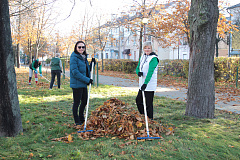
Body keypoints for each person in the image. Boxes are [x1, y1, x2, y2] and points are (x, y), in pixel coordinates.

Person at [70, 40, 96, 126]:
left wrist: (92, 64)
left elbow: (86, 70)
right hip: (77, 84)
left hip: (83, 83)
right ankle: (77, 120)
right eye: (79, 47)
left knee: (84, 101)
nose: (81, 48)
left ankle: (81, 117)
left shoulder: (83, 57)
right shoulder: (74, 57)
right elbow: (75, 72)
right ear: (76, 48)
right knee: (77, 102)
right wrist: (87, 80)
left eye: (83, 47)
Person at [135, 41, 159, 119]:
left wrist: (146, 83)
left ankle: (150, 120)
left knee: (148, 103)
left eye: (149, 48)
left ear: (151, 49)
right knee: (138, 100)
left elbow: (150, 72)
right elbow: (138, 67)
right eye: (145, 48)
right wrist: (138, 72)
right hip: (142, 83)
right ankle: (144, 116)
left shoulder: (154, 58)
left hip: (149, 84)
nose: (147, 49)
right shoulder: (142, 57)